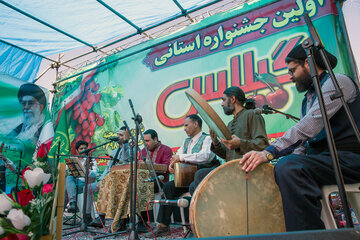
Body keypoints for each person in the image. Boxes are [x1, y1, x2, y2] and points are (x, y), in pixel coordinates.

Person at [240, 43, 360, 231]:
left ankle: (308, 235)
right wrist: (285, 158)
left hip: (349, 159)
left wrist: (270, 152)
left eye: (293, 70)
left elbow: (309, 125)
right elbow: (305, 141)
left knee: (290, 168)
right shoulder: (308, 98)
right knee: (286, 165)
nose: (290, 76)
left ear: (308, 63)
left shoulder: (337, 82)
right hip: (326, 160)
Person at [145, 114, 218, 238]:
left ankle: (198, 226)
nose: (184, 128)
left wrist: (181, 157)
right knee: (168, 187)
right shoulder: (186, 142)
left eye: (186, 125)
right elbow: (177, 155)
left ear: (196, 124)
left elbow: (205, 156)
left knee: (193, 180)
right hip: (187, 179)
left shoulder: (207, 139)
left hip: (202, 179)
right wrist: (173, 164)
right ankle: (163, 226)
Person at [210, 86, 269, 161]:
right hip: (233, 170)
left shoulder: (252, 114)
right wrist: (215, 142)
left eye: (224, 100)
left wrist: (240, 144)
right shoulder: (230, 124)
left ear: (233, 99)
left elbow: (263, 145)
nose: (222, 104)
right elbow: (227, 155)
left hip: (251, 169)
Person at [65, 140, 98, 224]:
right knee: (68, 178)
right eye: (81, 149)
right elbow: (66, 170)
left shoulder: (91, 160)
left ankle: (73, 204)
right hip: (74, 183)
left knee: (67, 188)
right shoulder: (73, 160)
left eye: (85, 148)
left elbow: (95, 173)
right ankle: (73, 203)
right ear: (77, 150)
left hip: (85, 183)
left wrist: (86, 171)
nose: (83, 150)